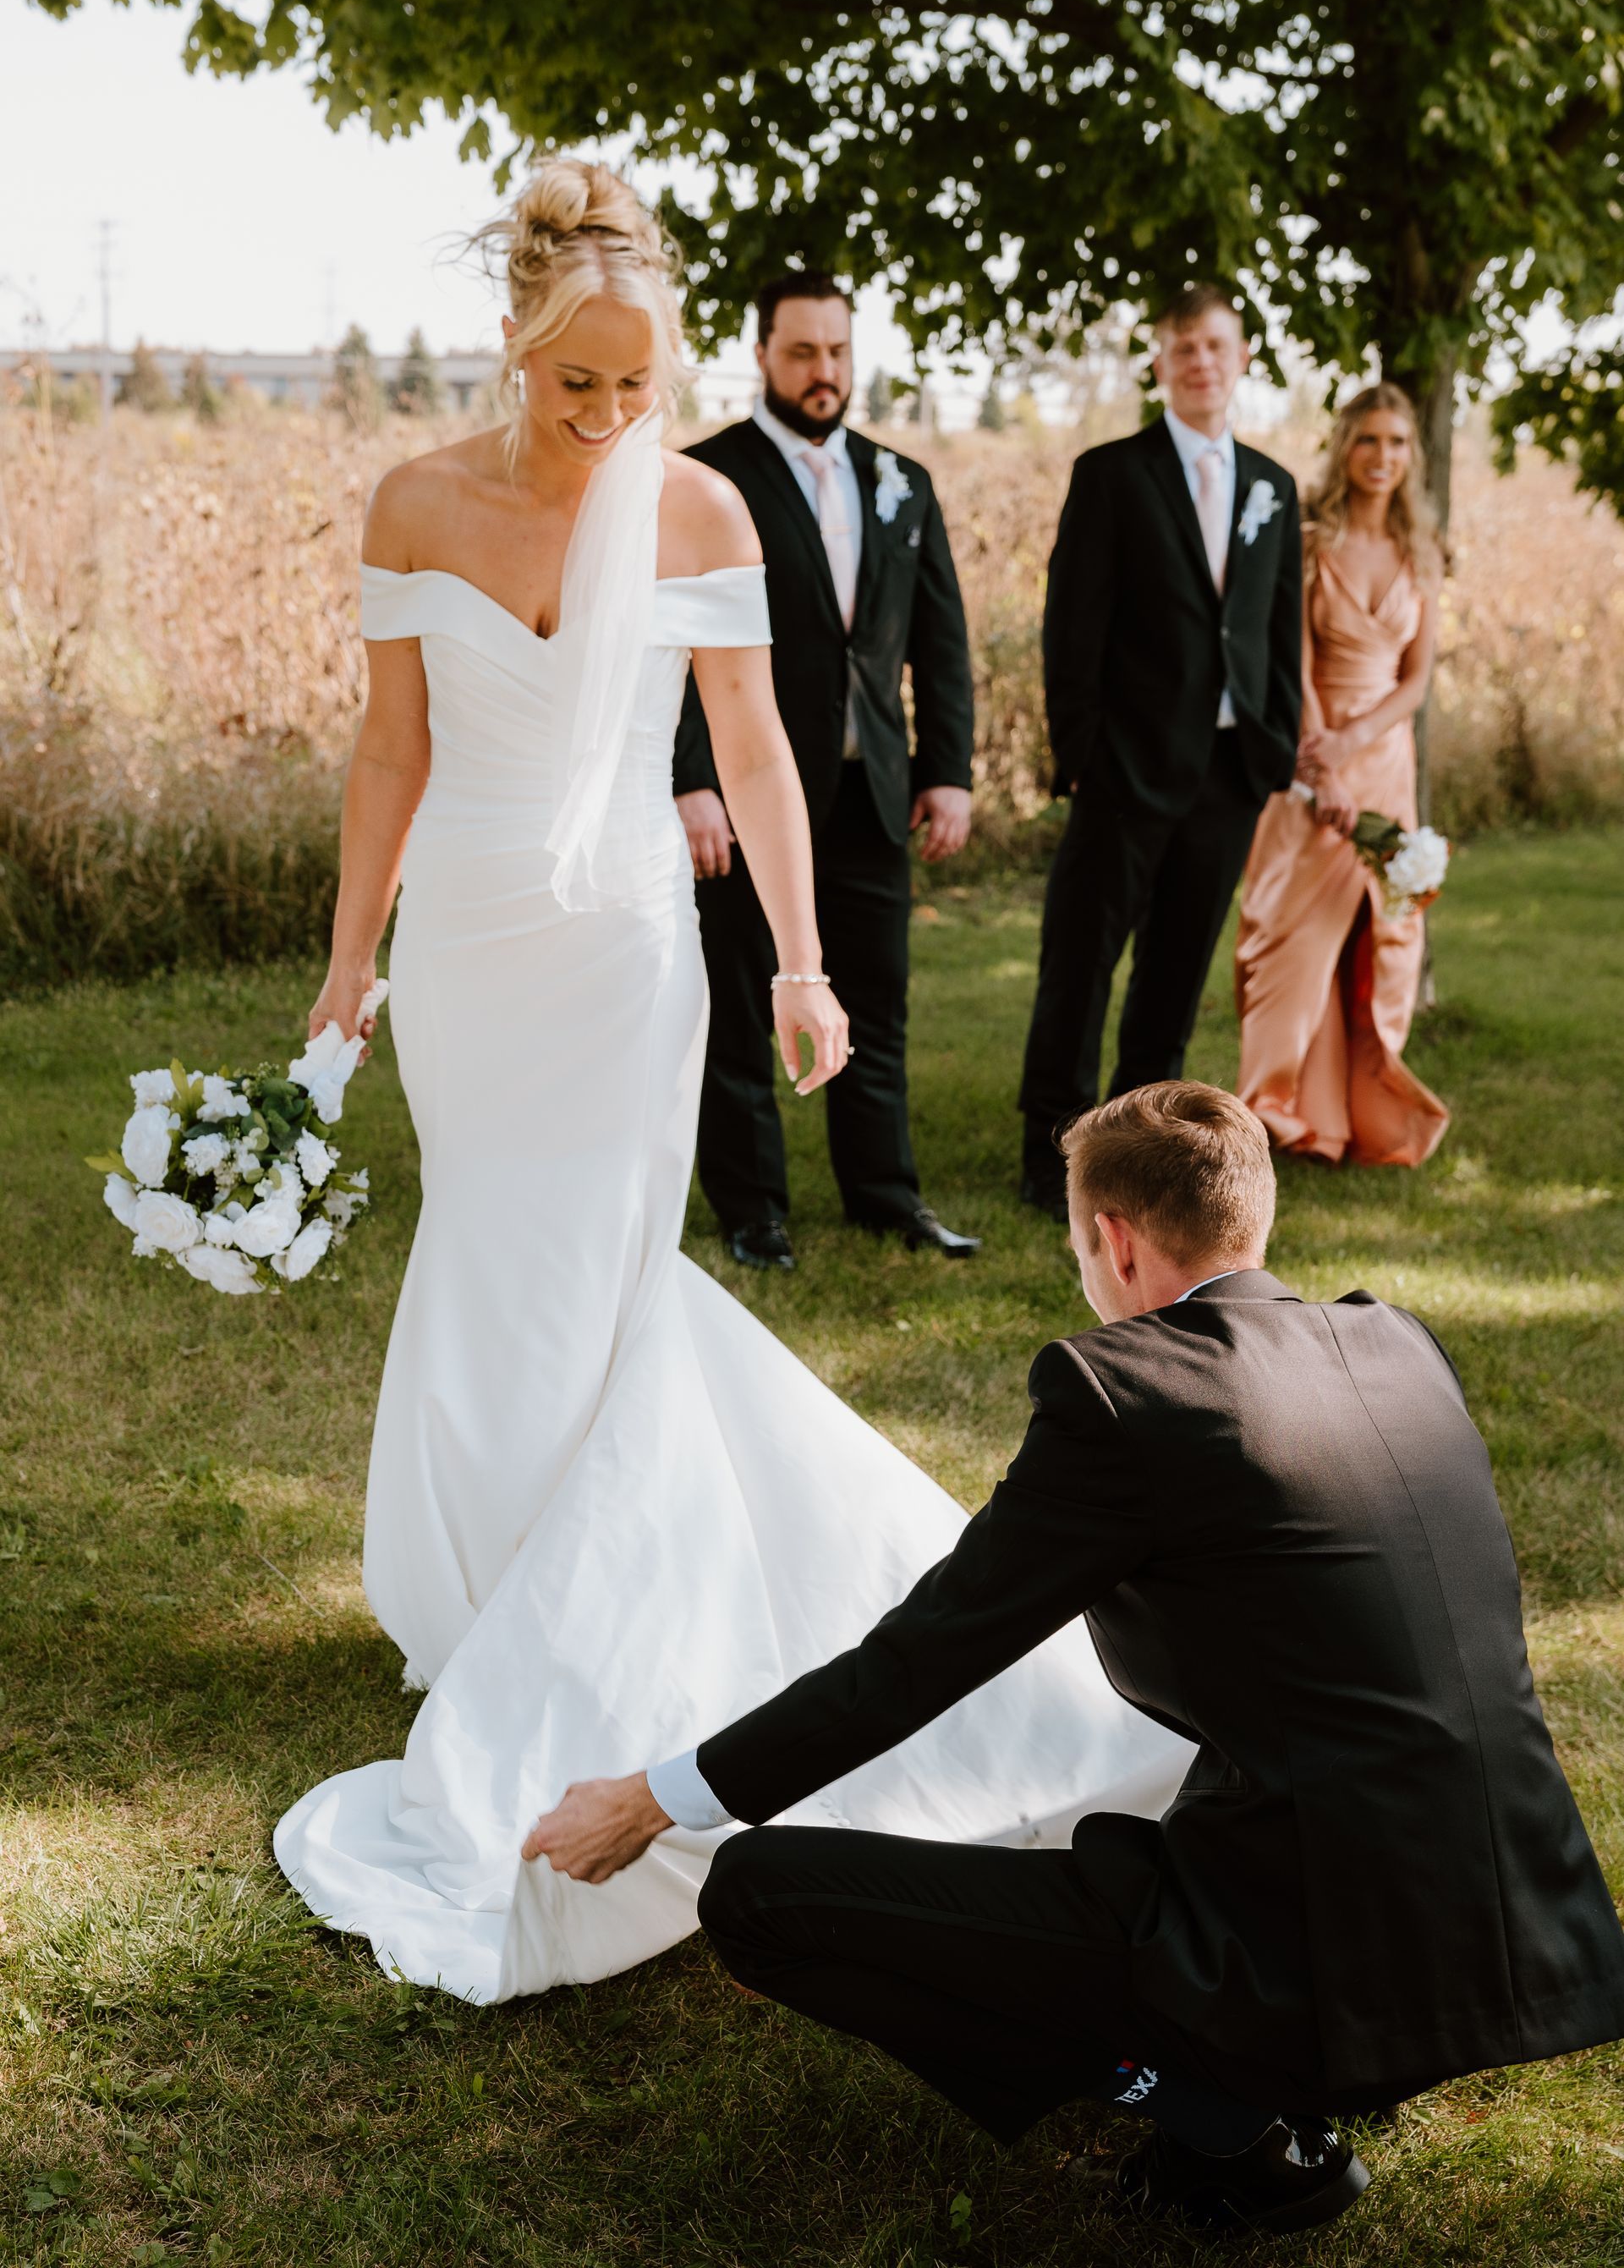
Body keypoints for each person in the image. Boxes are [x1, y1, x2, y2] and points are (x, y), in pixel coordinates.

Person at [272, 161, 1189, 2004]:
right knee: (487, 1248)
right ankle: (490, 1596)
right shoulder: (415, 504)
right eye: (575, 385)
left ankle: (589, 1611)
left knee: (607, 1270)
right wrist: (352, 952)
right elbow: (392, 748)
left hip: (625, 949)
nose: (610, 419)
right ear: (513, 350)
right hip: (466, 944)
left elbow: (764, 752)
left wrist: (796, 957)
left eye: (635, 383)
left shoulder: (699, 509)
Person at [524, 1079, 1624, 2239]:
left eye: (1075, 1242)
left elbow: (918, 1661)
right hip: (1518, 1939)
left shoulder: (1125, 1392)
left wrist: (655, 1799)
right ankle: (1288, 2064)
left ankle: (1231, 2122)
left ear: (1112, 1238)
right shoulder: (1396, 1343)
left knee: (760, 1896)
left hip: (1315, 1972)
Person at [672, 272, 979, 1270]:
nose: (824, 371)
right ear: (762, 354)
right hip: (745, 795)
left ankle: (886, 1196)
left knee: (875, 1002)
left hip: (871, 795)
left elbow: (939, 641)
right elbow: (667, 649)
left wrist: (948, 772)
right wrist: (691, 781)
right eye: (802, 352)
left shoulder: (901, 482)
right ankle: (754, 1211)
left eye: (839, 352)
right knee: (736, 1005)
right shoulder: (704, 481)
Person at [1018, 285, 1303, 1218]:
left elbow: (1277, 631)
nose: (1200, 362)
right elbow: (1073, 627)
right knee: (1081, 964)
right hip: (1125, 767)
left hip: (1230, 773)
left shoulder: (1273, 485)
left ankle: (1140, 1170)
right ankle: (1047, 1160)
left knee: (1174, 976)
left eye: (1216, 345)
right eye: (1182, 347)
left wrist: (1275, 746)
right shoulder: (1113, 473)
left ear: (1243, 355)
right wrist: (1084, 755)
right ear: (1159, 361)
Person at [1235, 383, 1450, 1165]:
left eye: (1397, 443)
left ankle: (1361, 1121)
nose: (1383, 458)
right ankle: (1277, 1117)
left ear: (1411, 456)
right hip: (1308, 756)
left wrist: (1356, 742)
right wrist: (1322, 758)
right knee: (1288, 938)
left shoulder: (1423, 550)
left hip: (1385, 760)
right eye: (1369, 441)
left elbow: (1416, 680)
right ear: (1345, 449)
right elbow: (1289, 661)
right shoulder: (1311, 540)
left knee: (1383, 941)